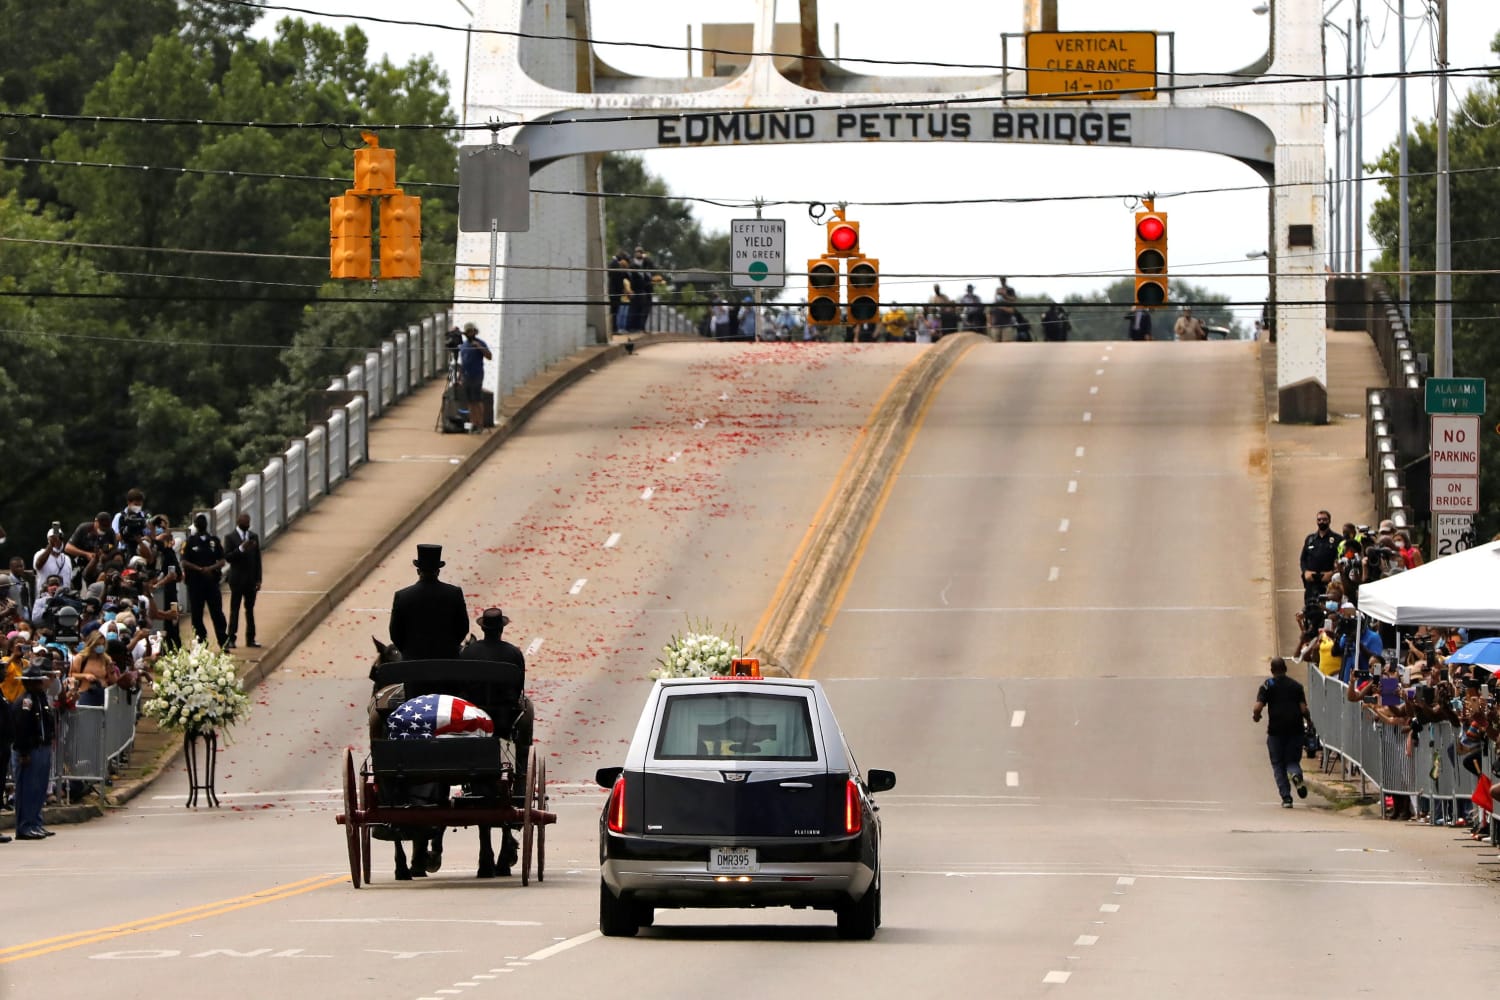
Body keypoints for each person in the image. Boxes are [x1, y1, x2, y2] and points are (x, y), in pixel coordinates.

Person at [389, 544, 469, 661]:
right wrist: (449, 647)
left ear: (418, 571)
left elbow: (395, 633)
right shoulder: (454, 593)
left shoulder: (402, 596)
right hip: (446, 660)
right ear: (438, 571)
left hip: (413, 662)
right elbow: (463, 628)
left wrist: (410, 651)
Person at [1252, 657, 1310, 808]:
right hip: (1296, 730)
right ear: (1285, 668)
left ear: (1272, 670)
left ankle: (1287, 798)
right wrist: (1309, 722)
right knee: (1292, 761)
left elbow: (1257, 708)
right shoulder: (1296, 686)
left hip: (1276, 731)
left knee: (1278, 764)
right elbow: (1303, 709)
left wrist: (1256, 717)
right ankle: (1296, 775)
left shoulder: (1267, 686)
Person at [11, 660, 58, 839]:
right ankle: (25, 826)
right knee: (27, 789)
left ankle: (36, 822)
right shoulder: (26, 701)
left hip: (42, 747)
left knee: (39, 788)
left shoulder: (41, 699)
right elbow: (21, 729)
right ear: (29, 683)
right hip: (30, 750)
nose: (41, 683)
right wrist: (23, 752)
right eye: (37, 681)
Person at [180, 513, 229, 648]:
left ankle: (223, 642)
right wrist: (199, 569)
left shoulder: (214, 541)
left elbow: (222, 560)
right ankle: (201, 643)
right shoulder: (189, 542)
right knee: (197, 615)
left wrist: (210, 568)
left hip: (212, 583)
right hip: (195, 583)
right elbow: (184, 562)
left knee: (217, 613)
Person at [223, 512, 262, 650]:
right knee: (235, 609)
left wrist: (258, 579)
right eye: (245, 522)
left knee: (250, 610)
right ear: (238, 522)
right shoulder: (230, 538)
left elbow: (258, 560)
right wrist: (241, 548)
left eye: (249, 522)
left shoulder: (253, 536)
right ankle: (231, 638)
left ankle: (250, 638)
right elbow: (228, 557)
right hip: (237, 580)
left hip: (250, 580)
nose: (247, 524)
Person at [458, 323, 493, 434]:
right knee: (470, 402)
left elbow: (489, 356)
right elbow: (463, 362)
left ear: (474, 332)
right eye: (468, 332)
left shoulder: (480, 343)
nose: (470, 333)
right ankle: (473, 423)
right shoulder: (463, 345)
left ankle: (480, 424)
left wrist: (479, 347)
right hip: (466, 376)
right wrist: (460, 376)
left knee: (477, 400)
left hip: (477, 375)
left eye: (471, 331)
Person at [1299, 509, 1339, 604]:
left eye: (1324, 519)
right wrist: (1305, 572)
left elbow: (1340, 560)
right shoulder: (1310, 539)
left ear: (1329, 521)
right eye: (1319, 520)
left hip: (1328, 581)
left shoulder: (1337, 539)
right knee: (1310, 608)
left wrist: (1332, 573)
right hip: (1311, 581)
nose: (1321, 522)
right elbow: (1303, 559)